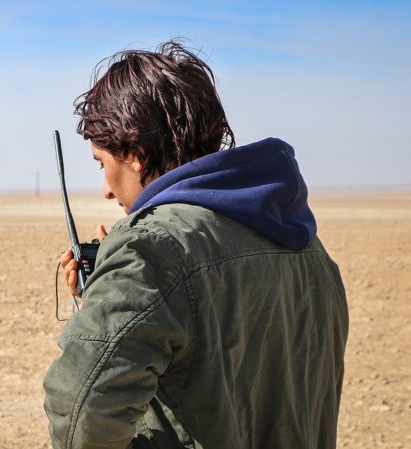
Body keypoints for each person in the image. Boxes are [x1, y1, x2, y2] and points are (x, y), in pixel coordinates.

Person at [43, 40, 349, 449]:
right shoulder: (308, 247)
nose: (106, 191)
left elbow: (81, 415)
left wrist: (131, 270)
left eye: (103, 164)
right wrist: (108, 290)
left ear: (134, 153)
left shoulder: (151, 250)